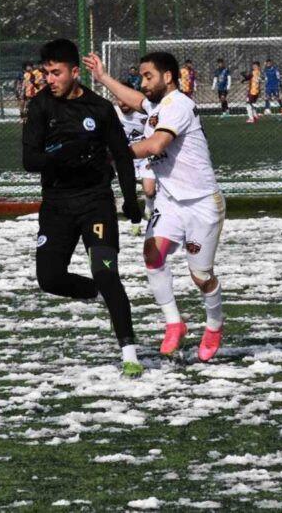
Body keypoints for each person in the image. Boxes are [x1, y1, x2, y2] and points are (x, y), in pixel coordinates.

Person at [85, 50, 227, 363]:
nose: (143, 82)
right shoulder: (158, 105)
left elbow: (156, 145)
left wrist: (112, 154)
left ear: (168, 77)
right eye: (141, 76)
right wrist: (104, 78)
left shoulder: (179, 105)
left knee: (201, 277)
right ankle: (174, 323)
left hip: (202, 203)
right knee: (152, 254)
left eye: (148, 76)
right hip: (170, 201)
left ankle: (214, 325)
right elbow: (137, 101)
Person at [22, 39, 144, 378]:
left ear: (75, 72)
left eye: (56, 72)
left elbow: (121, 155)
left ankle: (130, 354)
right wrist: (61, 155)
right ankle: (95, 292)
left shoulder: (100, 110)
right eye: (46, 72)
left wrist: (130, 199)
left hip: (96, 205)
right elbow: (28, 160)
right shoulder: (40, 107)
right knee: (49, 279)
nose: (50, 79)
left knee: (106, 272)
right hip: (57, 207)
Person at [115, 84, 156, 236]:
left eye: (125, 100)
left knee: (149, 190)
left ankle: (150, 208)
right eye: (118, 100)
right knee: (129, 193)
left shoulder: (146, 112)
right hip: (126, 158)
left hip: (145, 155)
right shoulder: (113, 113)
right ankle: (135, 223)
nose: (122, 103)